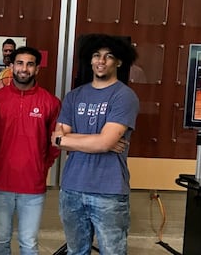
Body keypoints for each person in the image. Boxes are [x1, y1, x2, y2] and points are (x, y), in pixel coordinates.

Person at [52, 34, 139, 255]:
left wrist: (73, 139)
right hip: (71, 188)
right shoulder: (74, 96)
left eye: (108, 56)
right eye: (96, 56)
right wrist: (98, 141)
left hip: (108, 191)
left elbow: (104, 142)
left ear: (118, 62)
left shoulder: (124, 96)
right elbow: (56, 139)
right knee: (76, 251)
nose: (101, 61)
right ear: (89, 60)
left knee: (113, 252)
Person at [0, 46, 61, 255]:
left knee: (28, 243)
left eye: (30, 64)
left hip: (33, 186)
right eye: (19, 63)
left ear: (37, 69)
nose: (24, 69)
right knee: (0, 240)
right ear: (11, 66)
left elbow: (55, 144)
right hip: (0, 183)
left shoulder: (50, 103)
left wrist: (40, 168)